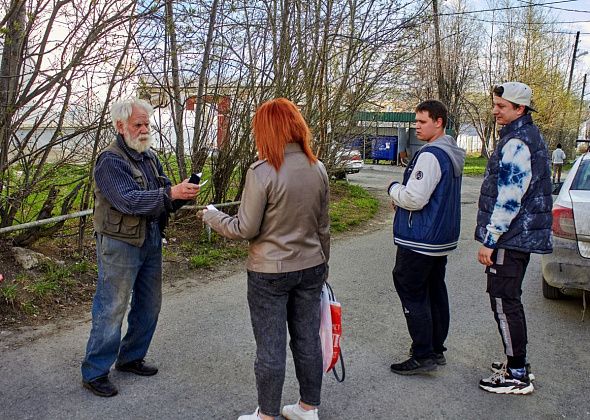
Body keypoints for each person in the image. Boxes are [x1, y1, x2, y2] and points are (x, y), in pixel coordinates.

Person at [201, 98, 330, 420]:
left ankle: (267, 415)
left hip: (269, 271)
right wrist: (322, 265)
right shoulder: (318, 168)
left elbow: (246, 228)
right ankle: (307, 408)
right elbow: (323, 226)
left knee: (270, 346)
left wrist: (214, 217)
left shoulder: (262, 172)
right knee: (307, 340)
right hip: (312, 266)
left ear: (266, 131)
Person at [81, 98, 200, 397]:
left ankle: (131, 358)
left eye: (147, 123)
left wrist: (181, 193)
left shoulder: (149, 156)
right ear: (120, 127)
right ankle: (95, 372)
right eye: (139, 124)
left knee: (149, 304)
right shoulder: (110, 160)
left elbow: (162, 197)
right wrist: (168, 193)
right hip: (119, 244)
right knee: (112, 307)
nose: (145, 129)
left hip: (150, 239)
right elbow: (129, 201)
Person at [475, 82, 552, 395]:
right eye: (495, 104)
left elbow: (509, 198)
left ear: (520, 109)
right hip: (519, 236)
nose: (495, 110)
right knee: (508, 300)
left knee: (504, 302)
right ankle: (516, 363)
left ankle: (517, 373)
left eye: (502, 106)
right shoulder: (525, 136)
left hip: (511, 237)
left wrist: (490, 240)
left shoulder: (518, 142)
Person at [387, 100, 466, 375]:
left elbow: (414, 198)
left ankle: (422, 353)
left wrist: (394, 189)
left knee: (410, 287)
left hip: (421, 237)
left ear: (439, 121)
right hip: (440, 237)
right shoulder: (451, 152)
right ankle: (435, 348)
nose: (416, 127)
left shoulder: (431, 154)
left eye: (421, 122)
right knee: (434, 290)